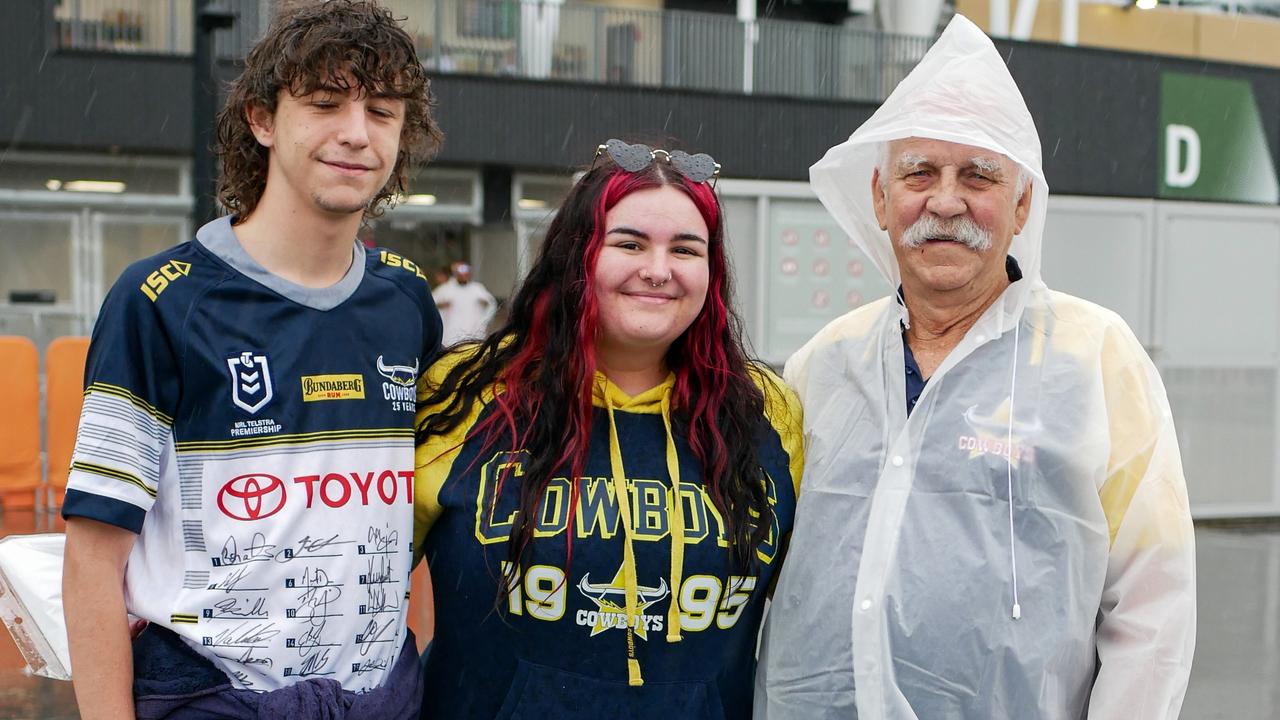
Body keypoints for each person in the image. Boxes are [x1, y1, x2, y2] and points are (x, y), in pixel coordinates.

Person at [755, 15, 1195, 720]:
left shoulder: (1095, 359)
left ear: (1022, 204)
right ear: (880, 197)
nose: (946, 201)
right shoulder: (822, 365)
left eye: (979, 176)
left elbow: (1153, 603)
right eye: (920, 173)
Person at [61, 2, 443, 718]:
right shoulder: (159, 301)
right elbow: (92, 558)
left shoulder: (406, 301)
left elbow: (416, 519)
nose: (356, 134)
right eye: (325, 104)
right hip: (211, 698)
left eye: (383, 112)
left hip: (380, 698)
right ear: (263, 121)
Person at [413, 139, 802, 719]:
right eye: (629, 243)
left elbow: (806, 615)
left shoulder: (765, 411)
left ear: (711, 272)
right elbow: (363, 580)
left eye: (686, 250)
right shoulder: (465, 391)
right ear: (577, 255)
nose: (659, 270)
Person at [433, 261, 496, 345]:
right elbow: (431, 304)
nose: (463, 277)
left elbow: (491, 304)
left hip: (473, 332)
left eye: (466, 274)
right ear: (456, 274)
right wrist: (441, 305)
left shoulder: (477, 288)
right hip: (451, 334)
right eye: (461, 274)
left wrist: (485, 304)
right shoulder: (445, 289)